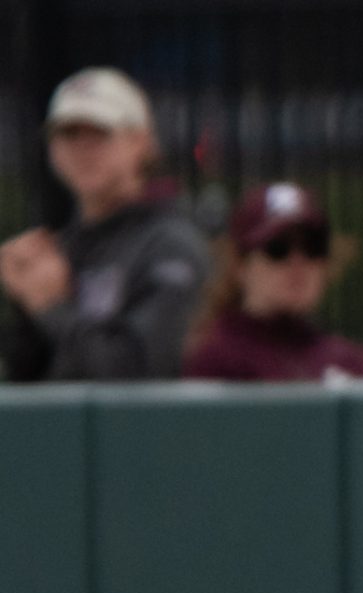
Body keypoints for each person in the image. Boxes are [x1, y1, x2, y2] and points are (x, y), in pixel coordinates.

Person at [1, 67, 209, 383]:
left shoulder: (169, 244)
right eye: (69, 134)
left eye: (99, 133)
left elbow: (138, 372)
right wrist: (24, 299)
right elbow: (27, 380)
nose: (83, 148)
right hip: (64, 430)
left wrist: (51, 306)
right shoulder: (61, 247)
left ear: (139, 141)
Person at [183, 183, 363, 382]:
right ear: (240, 265)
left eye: (313, 247)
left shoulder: (356, 364)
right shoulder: (216, 362)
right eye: (277, 249)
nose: (298, 263)